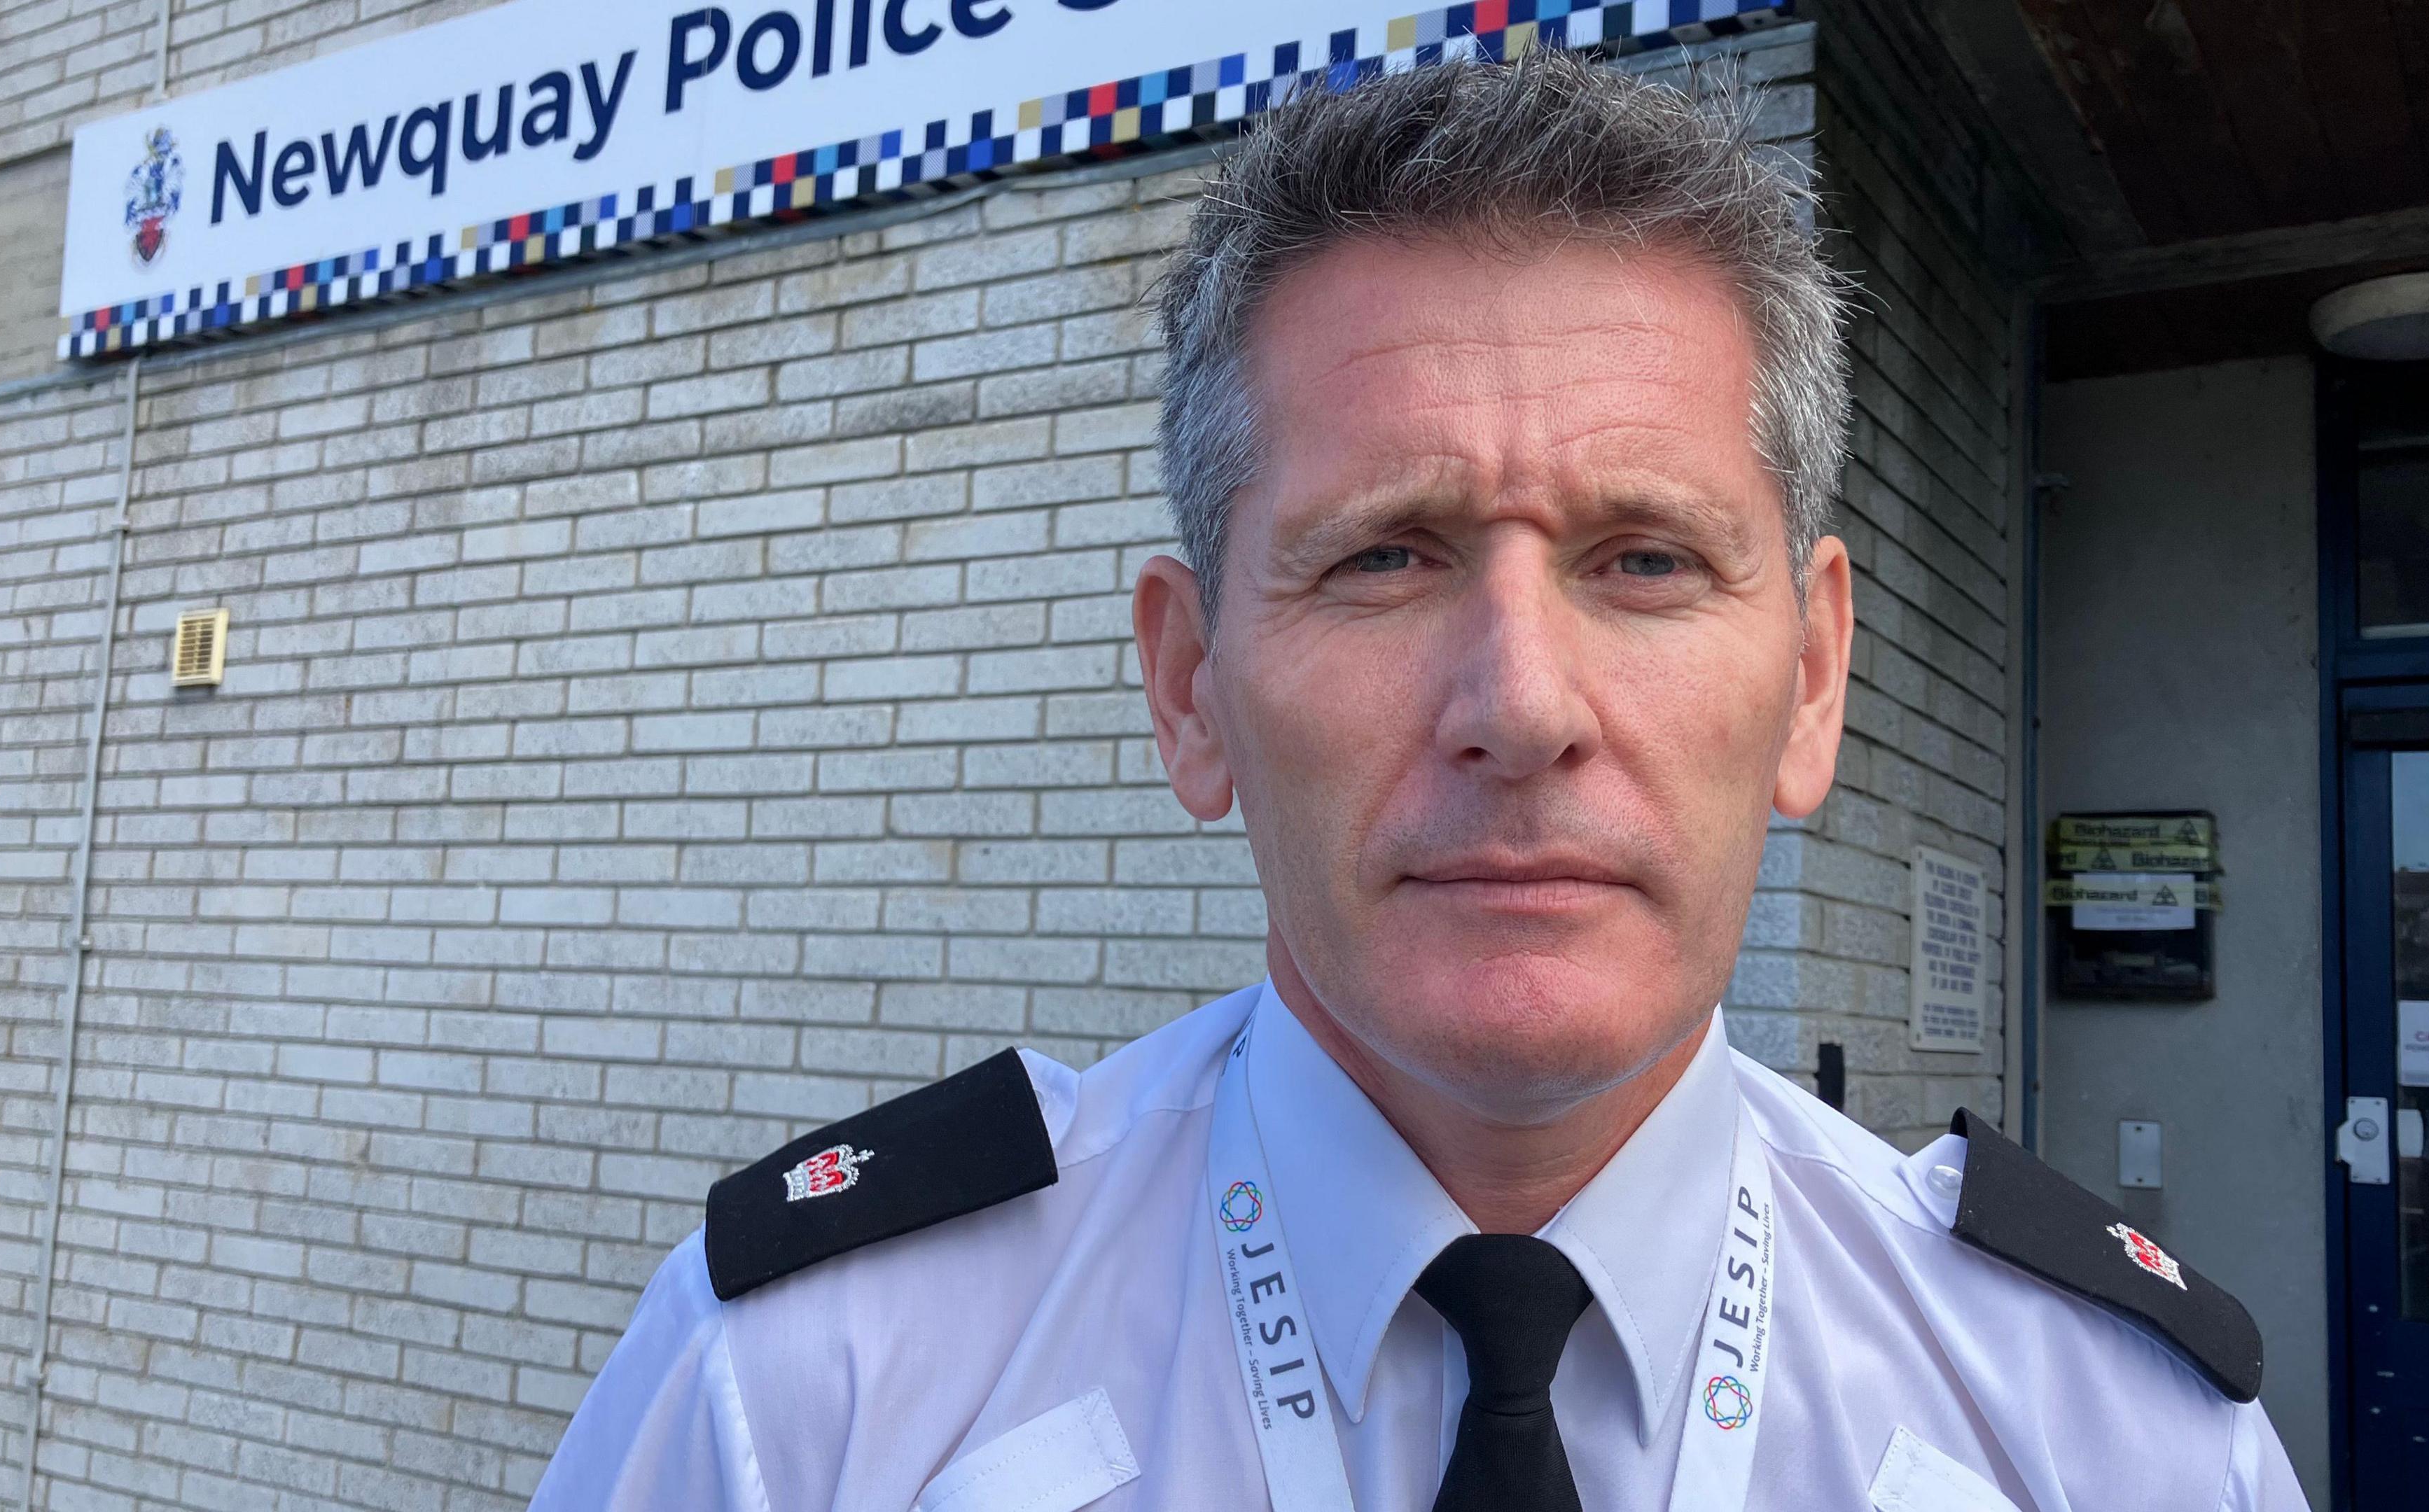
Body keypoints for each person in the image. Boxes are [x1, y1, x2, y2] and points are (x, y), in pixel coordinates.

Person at [529, 52, 2306, 1511]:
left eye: (1646, 561)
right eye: (1383, 556)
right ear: (1189, 684)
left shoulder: (2117, 1436)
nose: (1521, 707)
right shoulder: (805, 1398)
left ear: (1813, 679)